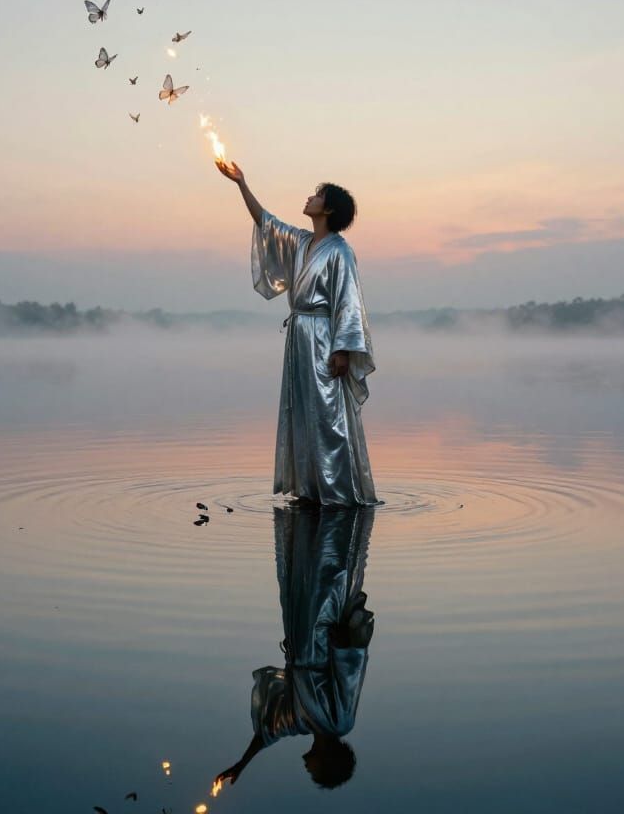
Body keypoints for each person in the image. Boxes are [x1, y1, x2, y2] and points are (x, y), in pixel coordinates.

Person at [216, 160, 378, 506]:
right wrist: (241, 183)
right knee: (303, 411)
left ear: (328, 209)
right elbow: (266, 222)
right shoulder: (302, 242)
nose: (310, 197)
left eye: (317, 195)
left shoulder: (341, 252)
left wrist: (342, 350)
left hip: (324, 337)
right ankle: (310, 489)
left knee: (328, 414)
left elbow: (348, 302)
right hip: (300, 336)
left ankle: (339, 493)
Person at [214, 504, 376, 791]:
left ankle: (306, 522)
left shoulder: (302, 721)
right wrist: (345, 643)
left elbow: (267, 733)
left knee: (300, 574)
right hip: (320, 639)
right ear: (327, 762)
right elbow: (349, 678)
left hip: (299, 638)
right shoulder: (339, 722)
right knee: (323, 578)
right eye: (314, 773)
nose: (306, 768)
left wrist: (241, 764)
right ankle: (331, 522)